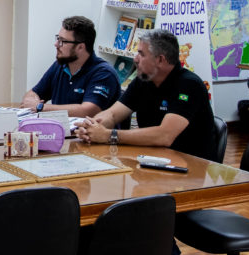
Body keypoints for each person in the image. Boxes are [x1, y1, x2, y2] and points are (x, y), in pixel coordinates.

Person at [75, 29, 215, 160]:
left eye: (141, 54)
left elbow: (164, 135)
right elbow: (112, 114)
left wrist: (109, 135)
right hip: (151, 159)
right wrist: (91, 127)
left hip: (190, 167)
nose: (135, 59)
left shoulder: (189, 85)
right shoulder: (144, 80)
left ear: (160, 59)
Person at [21, 15, 120, 117]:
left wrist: (40, 107)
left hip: (92, 132)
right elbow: (32, 94)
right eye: (57, 38)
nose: (56, 44)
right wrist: (33, 101)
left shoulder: (104, 73)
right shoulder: (60, 65)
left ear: (80, 47)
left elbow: (89, 110)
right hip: (63, 131)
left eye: (62, 41)